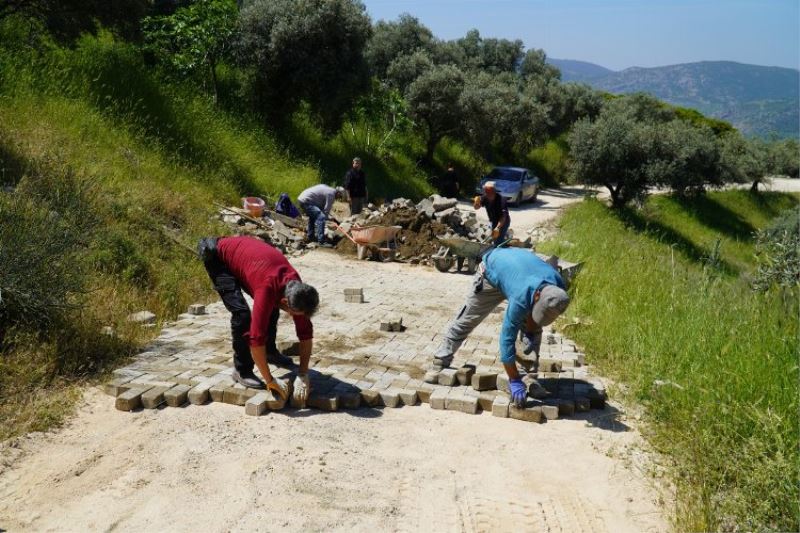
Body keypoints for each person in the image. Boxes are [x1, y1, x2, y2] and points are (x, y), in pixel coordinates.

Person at [430, 247, 570, 407]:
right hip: (491, 272)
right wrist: (513, 380)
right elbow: (506, 340)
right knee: (469, 318)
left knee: (534, 330)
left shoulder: (558, 288)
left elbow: (537, 313)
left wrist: (530, 334)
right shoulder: (521, 296)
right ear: (537, 295)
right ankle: (441, 359)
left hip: (518, 274)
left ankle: (527, 376)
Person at [197, 236, 318, 406]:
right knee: (243, 315)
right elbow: (255, 339)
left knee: (271, 308)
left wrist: (303, 373)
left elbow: (305, 332)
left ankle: (270, 353)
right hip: (217, 257)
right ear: (286, 302)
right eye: (294, 313)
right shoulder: (267, 289)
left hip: (251, 262)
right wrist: (270, 380)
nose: (295, 317)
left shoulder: (296, 288)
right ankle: (242, 370)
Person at [473, 181, 510, 246]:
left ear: (494, 191)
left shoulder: (501, 200)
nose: (487, 193)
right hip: (494, 221)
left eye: (489, 191)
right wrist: (476, 203)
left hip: (503, 222)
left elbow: (503, 217)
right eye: (486, 191)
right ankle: (504, 240)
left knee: (499, 241)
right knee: (494, 238)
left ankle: (501, 251)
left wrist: (498, 228)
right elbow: (476, 208)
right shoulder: (485, 198)